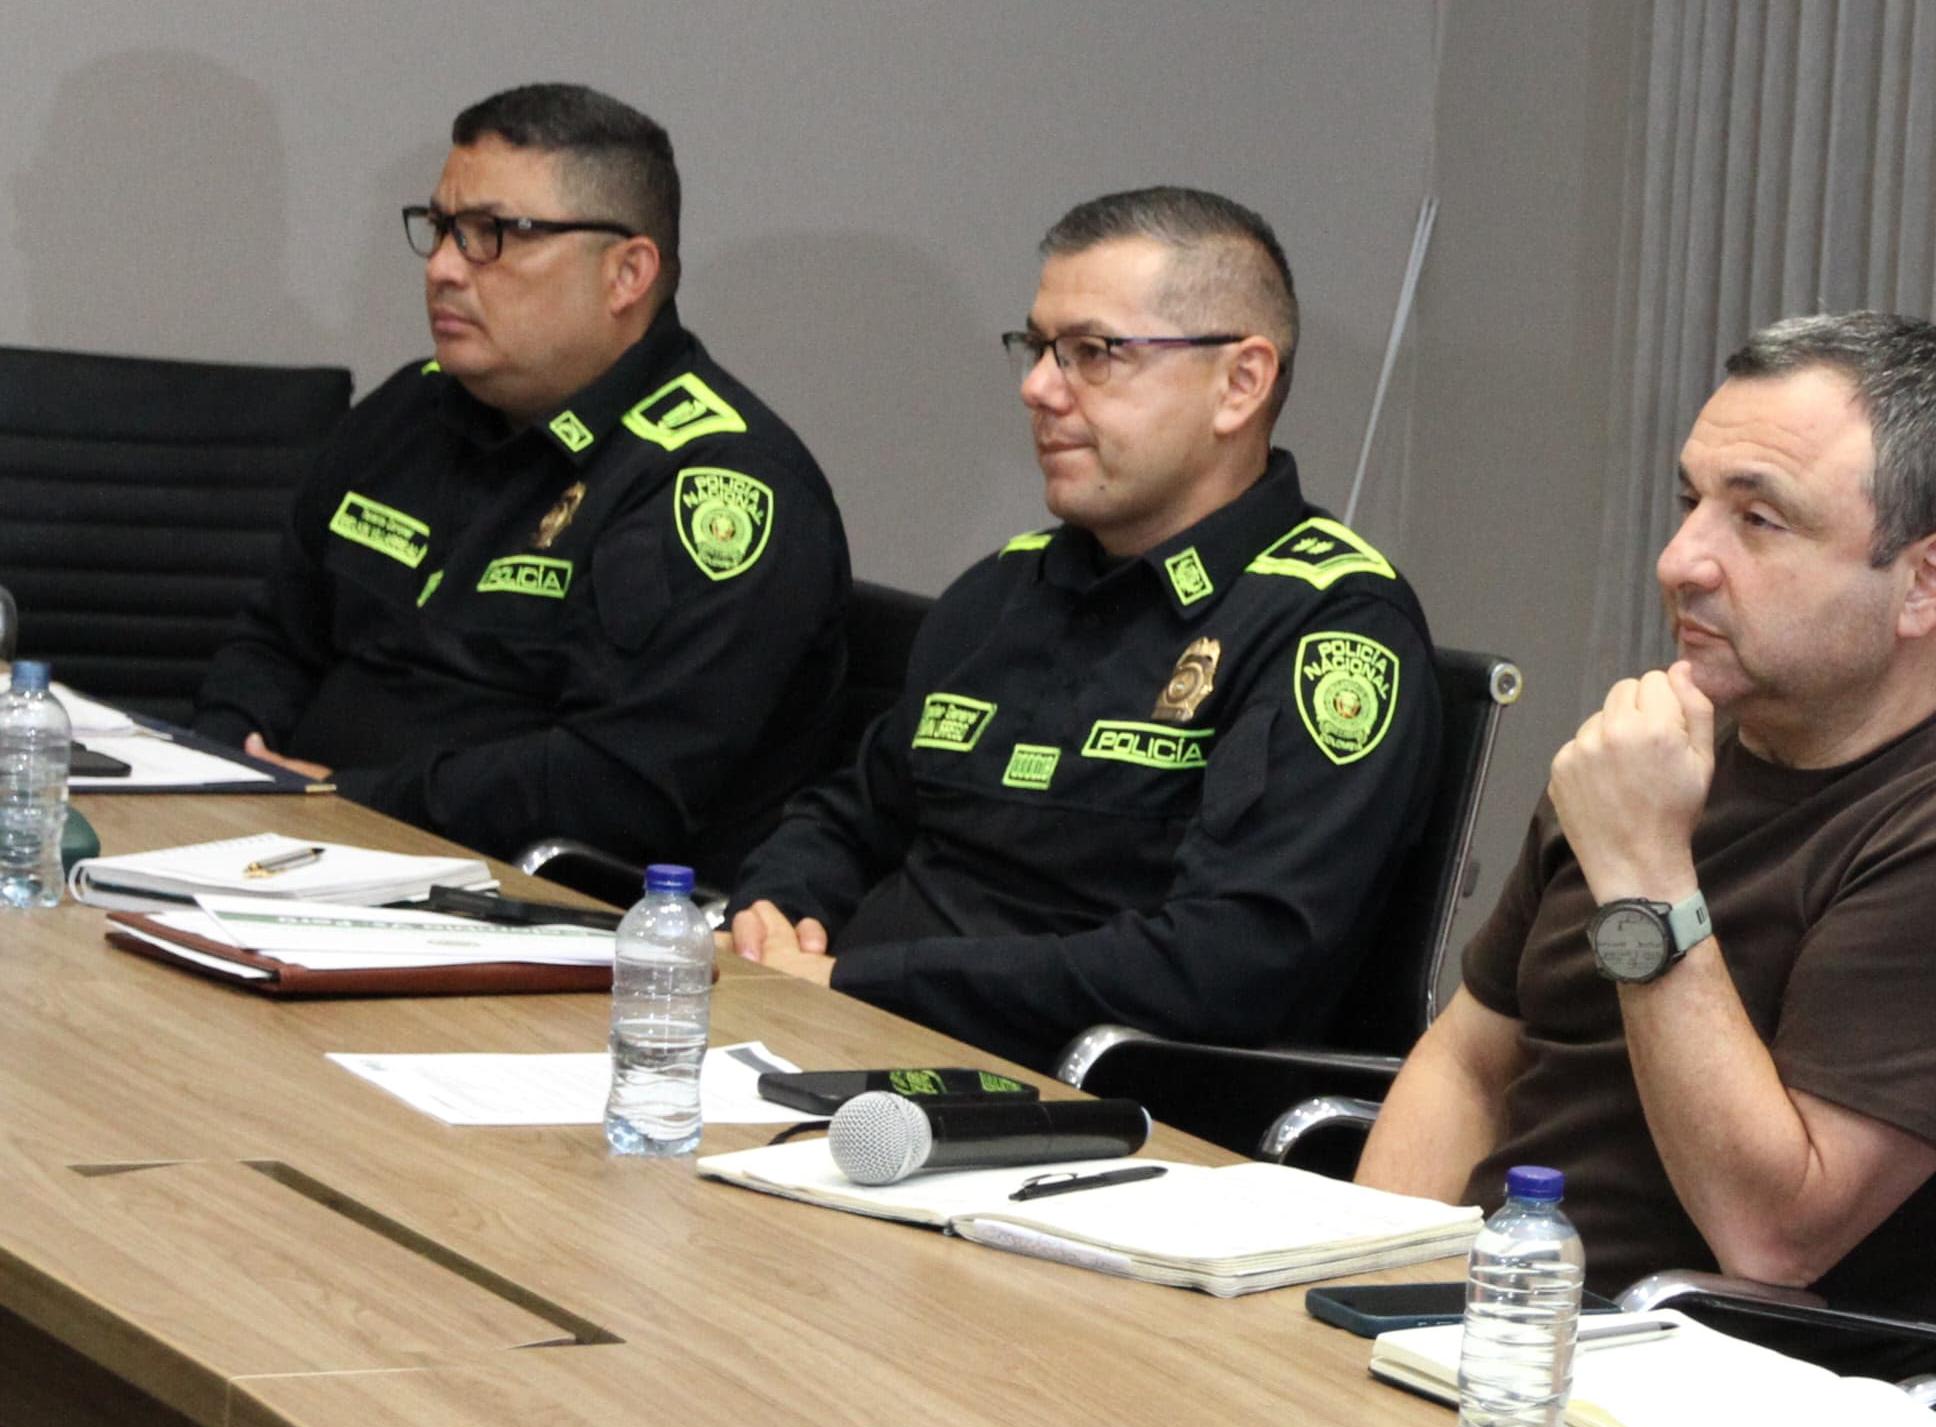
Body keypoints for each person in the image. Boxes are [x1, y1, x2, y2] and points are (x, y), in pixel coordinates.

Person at [1350, 312, 1936, 1373]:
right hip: (1488, 1340)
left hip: (1717, 1415)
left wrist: (1648, 876)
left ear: (1928, 580)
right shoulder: (1661, 755)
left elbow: (1773, 1233)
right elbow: (1471, 1062)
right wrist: (1359, 1284)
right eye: (1688, 500)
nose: (1679, 560)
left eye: (1757, 519)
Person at [723, 188, 1439, 1069]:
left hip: (1081, 1109)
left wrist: (867, 981)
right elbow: (852, 812)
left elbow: (1231, 966)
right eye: (1038, 347)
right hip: (837, 1036)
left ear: (1239, 384)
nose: (1036, 388)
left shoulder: (1328, 626)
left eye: (1093, 353)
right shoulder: (1004, 587)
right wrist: (774, 911)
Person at [194, 83, 849, 876]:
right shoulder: (413, 408)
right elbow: (273, 637)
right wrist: (227, 769)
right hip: (290, 853)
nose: (442, 268)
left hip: (521, 912)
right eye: (440, 229)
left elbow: (613, 787)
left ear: (626, 274)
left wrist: (346, 801)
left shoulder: (719, 485)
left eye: (493, 234)